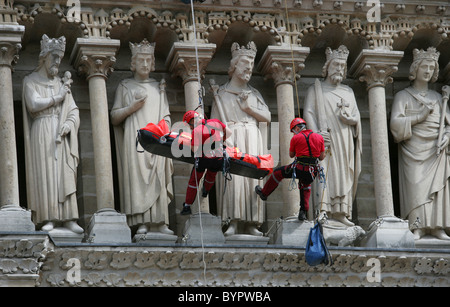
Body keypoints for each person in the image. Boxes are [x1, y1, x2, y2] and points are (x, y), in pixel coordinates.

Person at [111, 39, 174, 235]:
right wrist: (132, 108)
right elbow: (114, 117)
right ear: (133, 64)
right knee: (137, 178)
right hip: (135, 139)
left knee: (158, 175)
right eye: (141, 61)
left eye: (149, 60)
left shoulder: (158, 88)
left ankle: (160, 221)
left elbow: (166, 117)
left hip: (156, 139)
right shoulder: (125, 86)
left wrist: (165, 130)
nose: (145, 65)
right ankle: (142, 222)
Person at [22, 35, 83, 234]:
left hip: (60, 131)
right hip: (42, 129)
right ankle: (48, 216)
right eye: (54, 57)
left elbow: (73, 110)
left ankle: (68, 218)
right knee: (46, 172)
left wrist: (68, 124)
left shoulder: (61, 84)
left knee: (63, 172)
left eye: (60, 58)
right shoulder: (30, 80)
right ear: (44, 57)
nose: (57, 62)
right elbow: (33, 104)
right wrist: (58, 98)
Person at [210, 41, 271, 236]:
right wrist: (221, 135)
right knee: (233, 179)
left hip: (252, 137)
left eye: (252, 64)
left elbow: (267, 117)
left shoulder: (254, 94)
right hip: (231, 139)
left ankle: (253, 222)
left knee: (252, 179)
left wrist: (248, 109)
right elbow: (212, 125)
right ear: (234, 65)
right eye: (245, 62)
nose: (249, 68)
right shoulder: (220, 93)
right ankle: (233, 221)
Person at [390, 47, 450, 241]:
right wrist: (419, 117)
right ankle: (417, 227)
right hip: (413, 148)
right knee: (415, 186)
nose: (428, 71)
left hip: (436, 149)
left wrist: (446, 137)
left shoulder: (439, 98)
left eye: (432, 68)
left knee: (437, 188)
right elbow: (395, 126)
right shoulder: (403, 96)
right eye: (424, 66)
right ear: (415, 68)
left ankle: (437, 227)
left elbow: (448, 125)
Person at [303, 45, 362, 226]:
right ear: (327, 66)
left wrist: (351, 119)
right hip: (324, 139)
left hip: (344, 138)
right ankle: (323, 210)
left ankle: (341, 212)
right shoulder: (316, 89)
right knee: (323, 171)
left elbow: (357, 116)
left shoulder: (348, 92)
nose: (339, 69)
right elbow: (309, 113)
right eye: (336, 64)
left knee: (343, 173)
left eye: (342, 66)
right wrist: (316, 135)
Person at [255, 118, 326, 221]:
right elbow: (322, 157)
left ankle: (264, 193)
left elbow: (291, 155)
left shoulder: (296, 138)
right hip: (312, 172)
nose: (293, 133)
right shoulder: (319, 137)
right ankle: (303, 212)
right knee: (305, 185)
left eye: (293, 131)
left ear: (297, 128)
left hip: (299, 168)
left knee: (277, 173)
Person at [181, 110, 232, 215]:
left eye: (189, 125)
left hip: (204, 158)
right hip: (218, 158)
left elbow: (194, 150)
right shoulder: (216, 122)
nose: (190, 128)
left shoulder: (196, 130)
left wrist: (188, 143)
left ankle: (187, 206)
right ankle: (205, 191)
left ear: (191, 121)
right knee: (211, 175)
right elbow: (229, 132)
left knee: (194, 180)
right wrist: (221, 140)